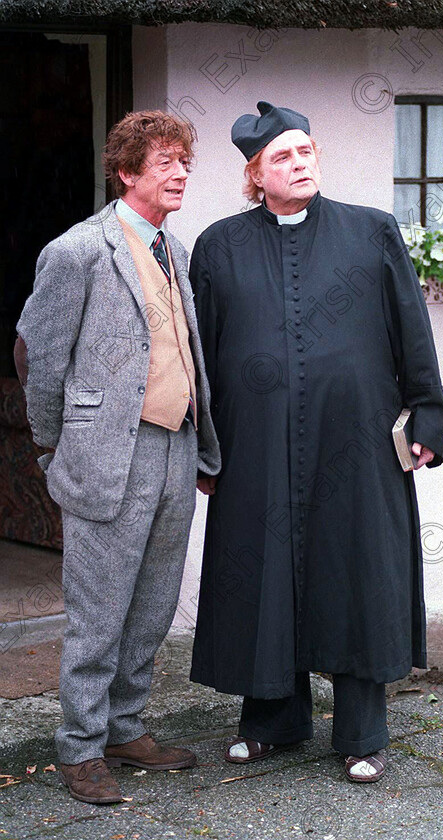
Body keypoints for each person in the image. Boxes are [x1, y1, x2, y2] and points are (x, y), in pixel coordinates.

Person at [190, 101, 443, 783]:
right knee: (263, 571)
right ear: (255, 175)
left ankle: (363, 733)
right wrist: (205, 447)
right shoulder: (219, 245)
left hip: (357, 438)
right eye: (283, 156)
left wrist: (428, 412)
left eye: (306, 151)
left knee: (359, 569)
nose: (299, 163)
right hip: (255, 444)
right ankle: (273, 720)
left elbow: (411, 329)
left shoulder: (371, 232)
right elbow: (203, 358)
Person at [15, 110, 220, 804]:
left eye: (184, 162)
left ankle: (126, 729)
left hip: (175, 448)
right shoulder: (76, 251)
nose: (180, 173)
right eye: (164, 162)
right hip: (106, 454)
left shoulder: (174, 249)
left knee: (153, 605)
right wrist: (51, 447)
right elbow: (37, 358)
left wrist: (202, 444)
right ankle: (79, 749)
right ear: (127, 171)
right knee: (98, 613)